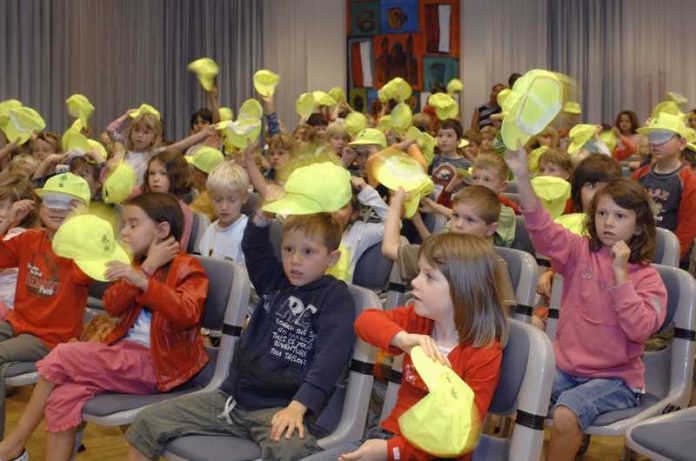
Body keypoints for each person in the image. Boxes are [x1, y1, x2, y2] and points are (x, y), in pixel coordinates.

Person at [125, 212, 355, 461]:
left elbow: (329, 361)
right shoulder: (275, 280)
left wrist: (298, 408)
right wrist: (260, 220)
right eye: (288, 249)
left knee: (293, 453)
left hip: (280, 409)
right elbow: (254, 250)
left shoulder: (335, 299)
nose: (295, 260)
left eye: (308, 252)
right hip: (230, 400)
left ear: (332, 258)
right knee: (147, 422)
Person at [0, 192, 209, 461]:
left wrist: (144, 278)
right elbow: (113, 305)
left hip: (159, 364)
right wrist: (141, 270)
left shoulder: (187, 267)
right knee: (62, 397)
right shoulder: (137, 264)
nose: (124, 232)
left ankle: (13, 445)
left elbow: (187, 313)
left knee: (64, 353)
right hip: (124, 356)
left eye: (133, 225)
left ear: (162, 230)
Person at [504, 144, 667, 461]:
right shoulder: (579, 252)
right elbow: (542, 230)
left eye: (620, 216)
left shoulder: (649, 280)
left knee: (566, 415)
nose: (608, 222)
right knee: (518, 399)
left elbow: (639, 331)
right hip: (565, 368)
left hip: (617, 380)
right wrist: (522, 176)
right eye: (603, 213)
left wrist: (621, 278)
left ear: (640, 226)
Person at [305, 233, 508, 461]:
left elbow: (455, 435)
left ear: (462, 290)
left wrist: (391, 451)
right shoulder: (418, 321)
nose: (415, 282)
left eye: (429, 276)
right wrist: (402, 339)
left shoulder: (484, 355)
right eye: (419, 272)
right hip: (389, 439)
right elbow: (366, 321)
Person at [632, 112, 696, 267]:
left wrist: (672, 257)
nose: (655, 143)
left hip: (672, 257)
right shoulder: (639, 175)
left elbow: (688, 225)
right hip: (637, 250)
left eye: (663, 138)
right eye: (652, 137)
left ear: (681, 143)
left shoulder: (689, 181)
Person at [197, 161, 250, 262]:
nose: (224, 207)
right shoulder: (210, 231)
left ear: (244, 198)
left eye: (232, 200)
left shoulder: (249, 232)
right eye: (217, 199)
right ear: (209, 198)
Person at [141, 152, 195, 251]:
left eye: (163, 173)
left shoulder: (183, 212)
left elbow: (179, 249)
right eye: (152, 173)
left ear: (177, 176)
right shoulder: (142, 204)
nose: (155, 179)